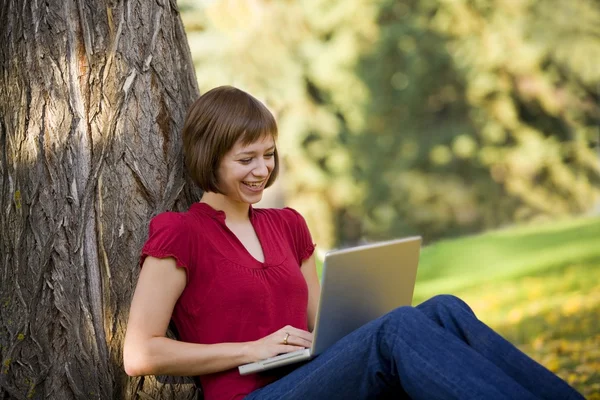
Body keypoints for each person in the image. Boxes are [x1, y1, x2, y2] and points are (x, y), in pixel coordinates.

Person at [123, 85, 584, 400]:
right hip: (255, 394)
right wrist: (252, 349)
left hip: (314, 379)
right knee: (398, 327)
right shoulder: (182, 233)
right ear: (210, 158)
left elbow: (324, 326)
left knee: (444, 308)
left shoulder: (287, 225)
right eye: (246, 159)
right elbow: (140, 353)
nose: (262, 170)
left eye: (268, 155)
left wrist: (356, 318)